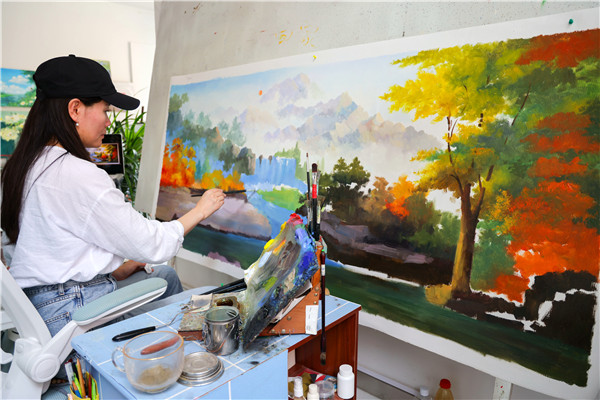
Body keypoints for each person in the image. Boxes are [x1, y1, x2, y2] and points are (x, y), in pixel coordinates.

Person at [0, 54, 226, 337]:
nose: (108, 122)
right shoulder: (76, 174)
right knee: (207, 295)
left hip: (42, 306)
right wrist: (201, 210)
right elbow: (151, 244)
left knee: (165, 276)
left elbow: (48, 244)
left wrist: (111, 272)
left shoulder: (23, 166)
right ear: (75, 109)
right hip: (74, 313)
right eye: (105, 110)